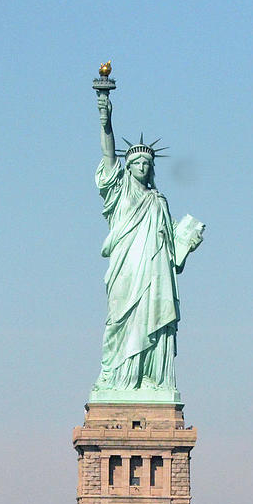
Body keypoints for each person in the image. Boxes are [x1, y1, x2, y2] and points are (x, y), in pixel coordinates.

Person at [92, 91, 204, 396]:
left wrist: (186, 245)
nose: (142, 166)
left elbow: (171, 253)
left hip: (155, 274)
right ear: (127, 168)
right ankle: (119, 379)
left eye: (147, 163)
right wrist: (106, 120)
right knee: (121, 322)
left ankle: (151, 381)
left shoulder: (159, 201)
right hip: (127, 270)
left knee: (152, 319)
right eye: (137, 162)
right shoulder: (121, 192)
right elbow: (107, 154)